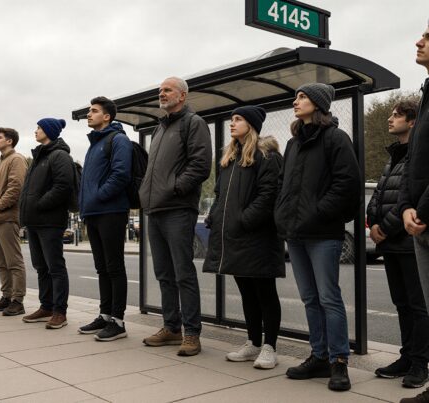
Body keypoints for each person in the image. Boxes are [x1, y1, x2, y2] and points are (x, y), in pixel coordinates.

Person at [274, 83, 361, 391]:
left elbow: (347, 184)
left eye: (302, 96)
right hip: (295, 233)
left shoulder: (336, 138)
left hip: (323, 232)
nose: (295, 101)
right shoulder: (293, 143)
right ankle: (319, 356)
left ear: (319, 103)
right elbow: (284, 184)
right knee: (310, 298)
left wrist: (317, 213)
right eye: (296, 96)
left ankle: (339, 362)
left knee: (328, 297)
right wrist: (282, 215)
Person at [203, 106, 284, 369]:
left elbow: (268, 194)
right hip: (236, 237)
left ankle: (270, 346)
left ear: (251, 124)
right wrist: (214, 216)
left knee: (265, 292)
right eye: (231, 119)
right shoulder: (230, 158)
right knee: (247, 292)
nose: (232, 123)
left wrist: (243, 220)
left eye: (238, 119)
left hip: (257, 236)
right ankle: (253, 343)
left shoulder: (266, 155)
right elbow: (219, 195)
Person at [139, 77, 212, 356]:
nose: (162, 93)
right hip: (155, 209)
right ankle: (172, 328)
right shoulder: (160, 127)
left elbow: (201, 164)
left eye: (167, 90)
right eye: (160, 90)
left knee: (183, 273)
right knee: (164, 274)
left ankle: (192, 333)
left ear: (182, 96)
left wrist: (175, 188)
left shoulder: (193, 123)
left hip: (178, 209)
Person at [368, 101, 429, 389]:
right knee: (402, 304)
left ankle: (420, 363)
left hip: (407, 240)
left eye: (396, 115)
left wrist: (385, 227)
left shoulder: (413, 157)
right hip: (391, 243)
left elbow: (409, 195)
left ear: (413, 122)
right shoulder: (394, 155)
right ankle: (406, 357)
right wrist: (373, 222)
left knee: (419, 306)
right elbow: (380, 192)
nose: (390, 119)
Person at [77, 97, 132, 341]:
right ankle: (105, 315)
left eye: (94, 111)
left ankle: (118, 321)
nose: (89, 114)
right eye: (89, 110)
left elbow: (121, 175)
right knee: (102, 268)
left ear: (107, 116)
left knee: (114, 266)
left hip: (111, 211)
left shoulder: (118, 139)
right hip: (94, 212)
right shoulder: (94, 144)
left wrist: (99, 197)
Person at [399, 23, 429, 403]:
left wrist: (419, 208)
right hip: (421, 219)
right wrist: (407, 204)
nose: (419, 41)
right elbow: (413, 162)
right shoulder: (425, 96)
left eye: (427, 36)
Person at [20, 118, 74, 329]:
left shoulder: (59, 155)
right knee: (41, 266)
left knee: (55, 267)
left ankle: (60, 311)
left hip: (50, 221)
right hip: (34, 221)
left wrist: (40, 205)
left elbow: (63, 186)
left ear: (49, 131)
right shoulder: (38, 157)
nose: (36, 131)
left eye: (40, 128)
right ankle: (46, 306)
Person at [0, 128, 28, 316]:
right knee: (0, 262)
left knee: (13, 262)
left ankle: (18, 300)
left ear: (9, 141)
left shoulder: (16, 159)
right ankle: (6, 296)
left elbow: (16, 186)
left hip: (6, 218)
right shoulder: (0, 161)